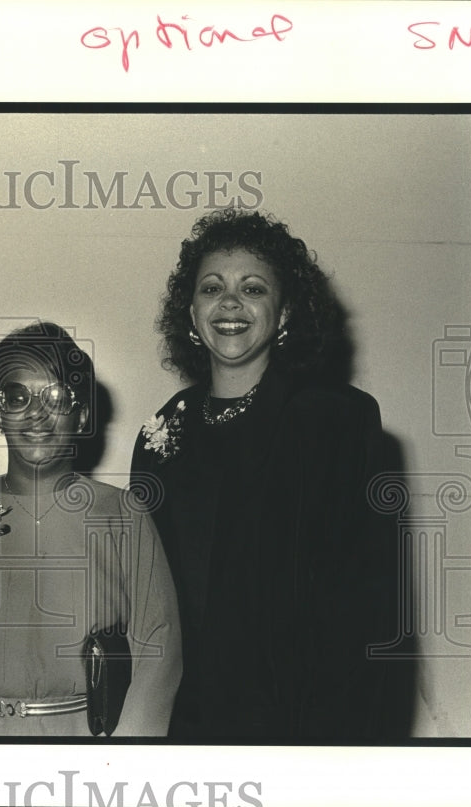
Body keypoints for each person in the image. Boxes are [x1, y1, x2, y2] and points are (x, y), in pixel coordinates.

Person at [131, 208, 408, 742]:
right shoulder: (161, 432)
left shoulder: (336, 418)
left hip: (300, 722)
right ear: (191, 313)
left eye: (253, 288)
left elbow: (365, 611)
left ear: (283, 316)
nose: (230, 302)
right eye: (212, 287)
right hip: (183, 723)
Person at [0, 322, 181, 736]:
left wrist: (118, 765)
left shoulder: (123, 514)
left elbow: (158, 647)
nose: (35, 413)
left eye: (56, 397)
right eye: (17, 396)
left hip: (87, 744)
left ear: (82, 414)